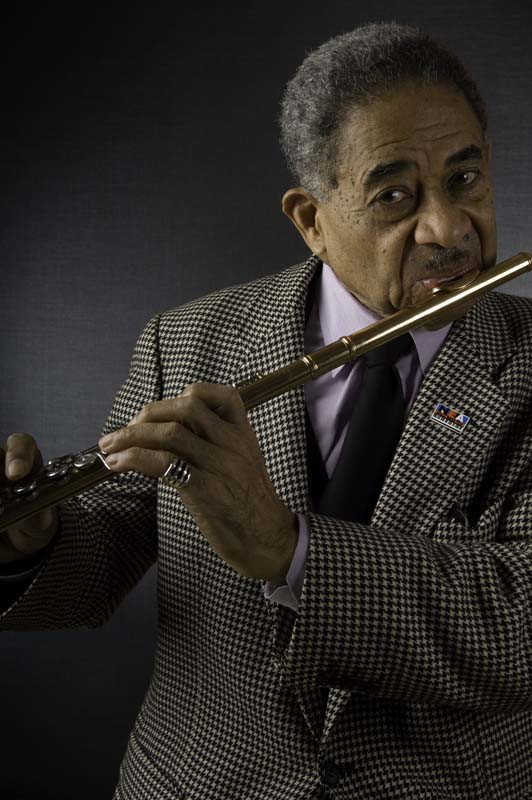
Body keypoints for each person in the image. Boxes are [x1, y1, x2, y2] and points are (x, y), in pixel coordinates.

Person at [1, 22, 531, 800]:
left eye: (466, 177)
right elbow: (100, 562)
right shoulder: (186, 339)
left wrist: (288, 549)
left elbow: (519, 628)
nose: (449, 229)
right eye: (394, 195)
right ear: (311, 219)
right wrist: (30, 544)